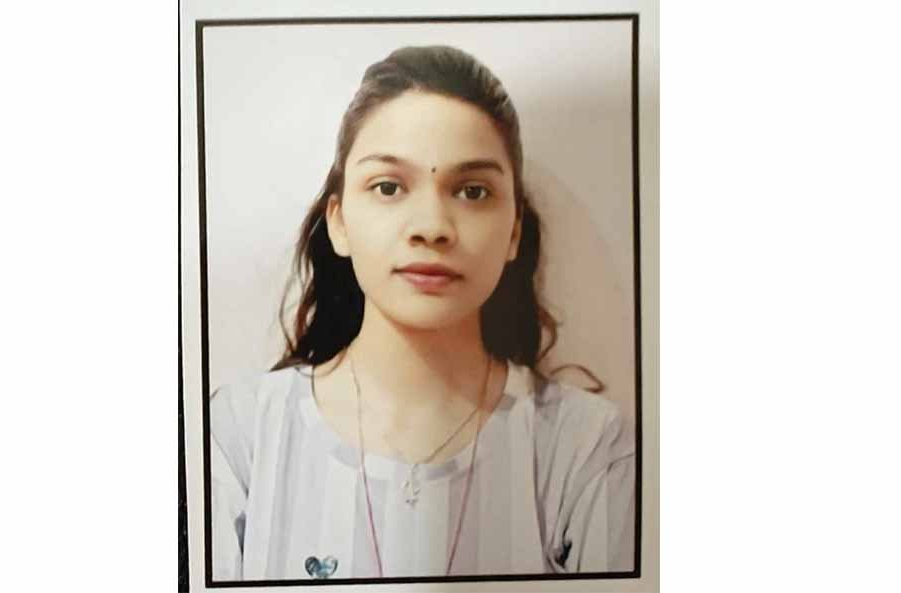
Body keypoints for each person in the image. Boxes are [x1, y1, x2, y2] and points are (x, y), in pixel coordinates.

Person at [209, 45, 635, 581]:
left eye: (472, 191)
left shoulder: (588, 451)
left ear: (514, 232)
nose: (431, 226)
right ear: (339, 222)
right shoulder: (238, 438)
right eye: (388, 187)